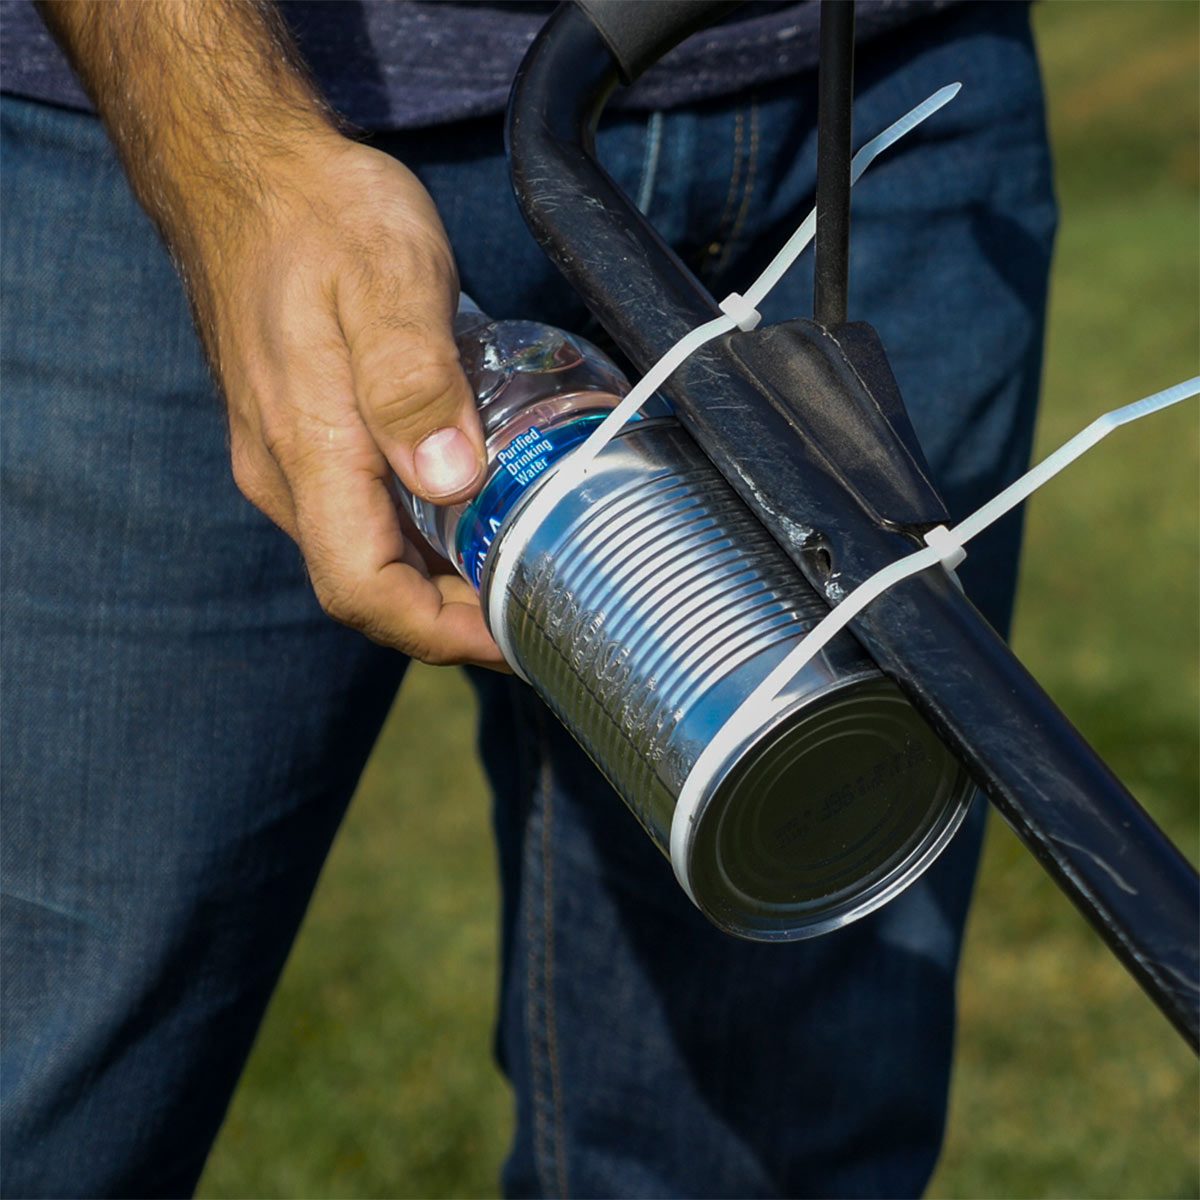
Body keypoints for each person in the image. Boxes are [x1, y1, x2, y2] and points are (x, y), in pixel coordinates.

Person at [0, 1, 1056, 1195]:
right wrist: (234, 168)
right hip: (236, 117)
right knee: (55, 1091)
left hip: (881, 99)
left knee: (771, 1145)